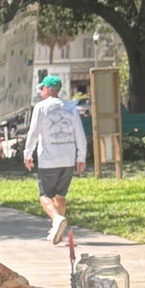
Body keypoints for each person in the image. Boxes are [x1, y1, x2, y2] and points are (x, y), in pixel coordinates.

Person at [23, 75, 87, 244]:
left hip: (48, 160)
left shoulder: (41, 107)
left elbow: (33, 132)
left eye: (42, 88)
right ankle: (57, 229)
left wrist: (27, 154)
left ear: (49, 89)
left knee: (44, 195)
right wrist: (81, 157)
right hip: (68, 159)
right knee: (60, 195)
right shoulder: (70, 107)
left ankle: (57, 219)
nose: (40, 91)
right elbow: (79, 133)